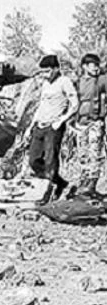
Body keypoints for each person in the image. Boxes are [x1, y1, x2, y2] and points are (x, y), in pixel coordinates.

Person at [27, 54, 79, 199]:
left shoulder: (64, 82)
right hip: (40, 125)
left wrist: (61, 120)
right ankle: (60, 182)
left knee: (50, 160)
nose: (44, 75)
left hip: (53, 127)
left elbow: (75, 104)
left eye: (47, 71)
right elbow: (41, 106)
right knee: (33, 160)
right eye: (42, 72)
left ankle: (50, 192)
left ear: (56, 69)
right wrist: (30, 126)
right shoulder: (45, 84)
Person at [70, 53, 107, 197]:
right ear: (85, 66)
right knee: (82, 153)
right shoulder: (79, 82)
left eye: (98, 65)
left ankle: (92, 183)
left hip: (95, 122)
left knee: (94, 153)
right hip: (80, 123)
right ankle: (84, 182)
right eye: (93, 65)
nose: (96, 68)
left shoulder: (101, 80)